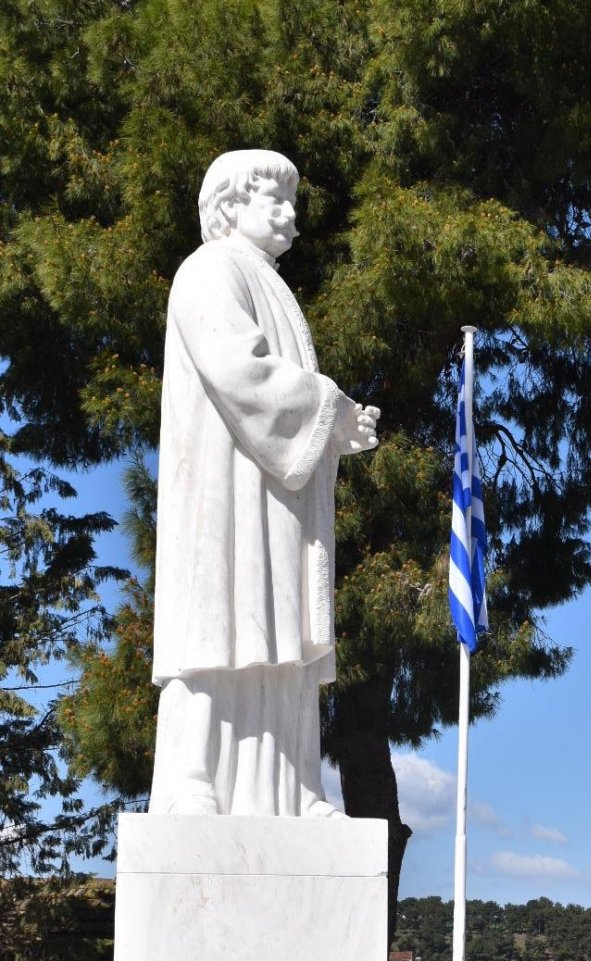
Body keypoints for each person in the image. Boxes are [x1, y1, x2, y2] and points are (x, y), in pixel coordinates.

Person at [148, 148, 380, 817]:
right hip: (225, 491)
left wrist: (334, 426)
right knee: (218, 622)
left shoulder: (270, 284)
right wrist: (330, 410)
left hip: (278, 497)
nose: (288, 215)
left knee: (280, 629)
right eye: (272, 199)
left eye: (293, 202)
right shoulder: (209, 270)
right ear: (228, 204)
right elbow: (236, 370)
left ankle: (295, 785)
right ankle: (195, 778)